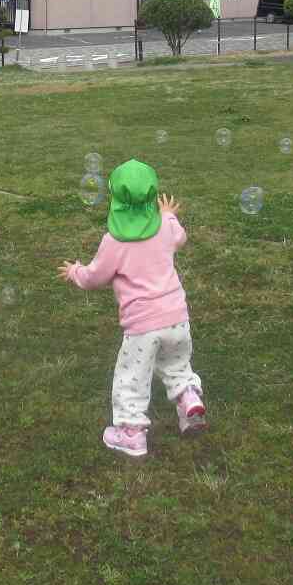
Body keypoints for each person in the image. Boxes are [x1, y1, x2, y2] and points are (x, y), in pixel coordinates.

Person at [58, 159, 206, 458]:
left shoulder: (114, 241)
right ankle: (188, 398)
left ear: (115, 201)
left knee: (131, 378)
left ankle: (131, 434)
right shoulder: (164, 226)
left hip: (143, 327)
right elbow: (180, 238)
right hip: (177, 316)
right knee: (176, 364)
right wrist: (169, 216)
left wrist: (75, 271)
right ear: (152, 197)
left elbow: (95, 277)